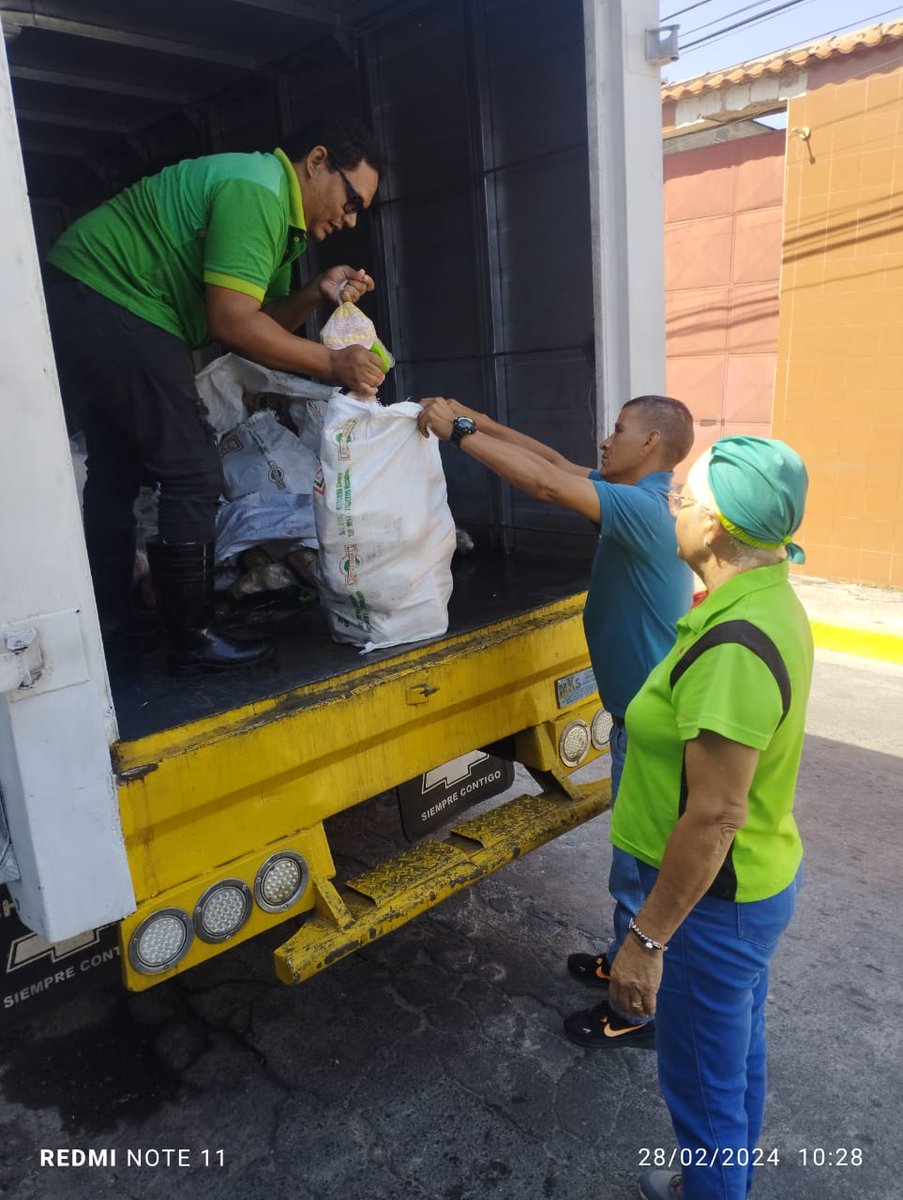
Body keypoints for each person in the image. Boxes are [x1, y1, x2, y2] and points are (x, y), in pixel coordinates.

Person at [44, 115, 385, 670]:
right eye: (350, 200)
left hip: (86, 292)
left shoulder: (282, 225)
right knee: (191, 469)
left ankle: (113, 620)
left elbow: (260, 323)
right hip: (111, 292)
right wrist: (333, 362)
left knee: (117, 465)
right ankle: (191, 638)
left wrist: (314, 294)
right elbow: (230, 323)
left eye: (358, 212)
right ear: (317, 161)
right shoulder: (259, 192)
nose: (348, 220)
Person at [417, 393, 695, 1046]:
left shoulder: (641, 509)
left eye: (619, 431)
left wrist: (456, 433)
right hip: (641, 717)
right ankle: (620, 956)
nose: (605, 440)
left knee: (637, 862)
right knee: (634, 858)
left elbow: (542, 483)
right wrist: (479, 420)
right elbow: (551, 461)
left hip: (652, 729)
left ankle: (636, 1012)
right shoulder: (634, 493)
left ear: (651, 443)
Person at [601, 436, 812, 1200]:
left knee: (703, 1093)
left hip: (709, 906)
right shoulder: (758, 600)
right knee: (732, 1065)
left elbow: (715, 816)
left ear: (718, 527)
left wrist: (645, 939)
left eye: (684, 497)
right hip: (744, 891)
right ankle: (715, 1184)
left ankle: (714, 1185)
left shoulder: (733, 645)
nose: (671, 505)